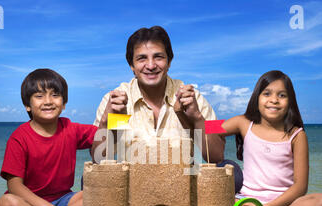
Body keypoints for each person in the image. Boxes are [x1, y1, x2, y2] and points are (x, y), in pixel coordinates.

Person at [91, 26, 243, 192]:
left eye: (158, 57)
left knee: (231, 171)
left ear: (169, 62)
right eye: (142, 58)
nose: (150, 65)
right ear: (132, 66)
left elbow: (216, 157)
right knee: (90, 178)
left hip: (183, 188)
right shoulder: (116, 100)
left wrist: (197, 118)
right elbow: (99, 160)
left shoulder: (194, 97)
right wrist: (108, 122)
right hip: (132, 190)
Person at [221, 70, 322, 206]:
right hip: (247, 202)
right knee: (225, 203)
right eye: (267, 93)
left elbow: (300, 187)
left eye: (282, 95)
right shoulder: (243, 122)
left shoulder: (296, 135)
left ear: (290, 101)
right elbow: (208, 128)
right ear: (257, 98)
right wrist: (189, 113)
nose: (274, 100)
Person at [0, 69, 97, 206]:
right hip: (30, 204)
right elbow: (14, 186)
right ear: (27, 105)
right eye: (39, 96)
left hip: (64, 200)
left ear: (64, 104)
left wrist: (111, 117)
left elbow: (103, 136)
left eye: (55, 95)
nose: (48, 101)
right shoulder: (19, 138)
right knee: (6, 204)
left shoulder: (70, 129)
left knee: (97, 196)